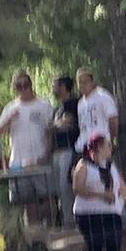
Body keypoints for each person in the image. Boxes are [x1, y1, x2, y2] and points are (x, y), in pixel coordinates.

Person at [0, 71, 54, 212]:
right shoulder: (11, 107)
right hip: (19, 163)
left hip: (39, 159)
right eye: (19, 86)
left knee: (47, 197)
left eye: (26, 85)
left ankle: (51, 229)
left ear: (31, 84)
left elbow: (51, 132)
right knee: (27, 201)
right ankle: (33, 232)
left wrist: (47, 154)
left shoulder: (43, 105)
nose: (23, 89)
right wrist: (10, 120)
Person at [48, 75, 82, 222]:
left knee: (66, 186)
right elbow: (54, 127)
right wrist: (55, 126)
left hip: (68, 149)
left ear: (63, 87)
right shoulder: (57, 109)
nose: (53, 89)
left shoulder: (72, 104)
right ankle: (66, 218)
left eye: (55, 85)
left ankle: (73, 220)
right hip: (57, 151)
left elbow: (67, 124)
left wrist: (54, 126)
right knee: (59, 189)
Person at [76, 69, 119, 148]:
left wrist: (111, 141)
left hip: (100, 145)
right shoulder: (80, 104)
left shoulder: (103, 97)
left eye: (85, 82)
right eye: (80, 82)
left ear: (92, 82)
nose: (82, 85)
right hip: (84, 145)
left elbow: (113, 120)